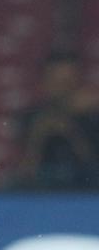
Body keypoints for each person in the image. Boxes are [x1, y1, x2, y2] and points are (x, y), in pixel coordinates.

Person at [13, 51, 99, 189]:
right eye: (57, 81)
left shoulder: (93, 117)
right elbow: (25, 169)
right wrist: (40, 133)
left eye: (68, 81)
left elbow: (91, 165)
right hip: (40, 191)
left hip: (86, 191)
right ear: (44, 82)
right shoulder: (30, 118)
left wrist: (72, 131)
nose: (63, 88)